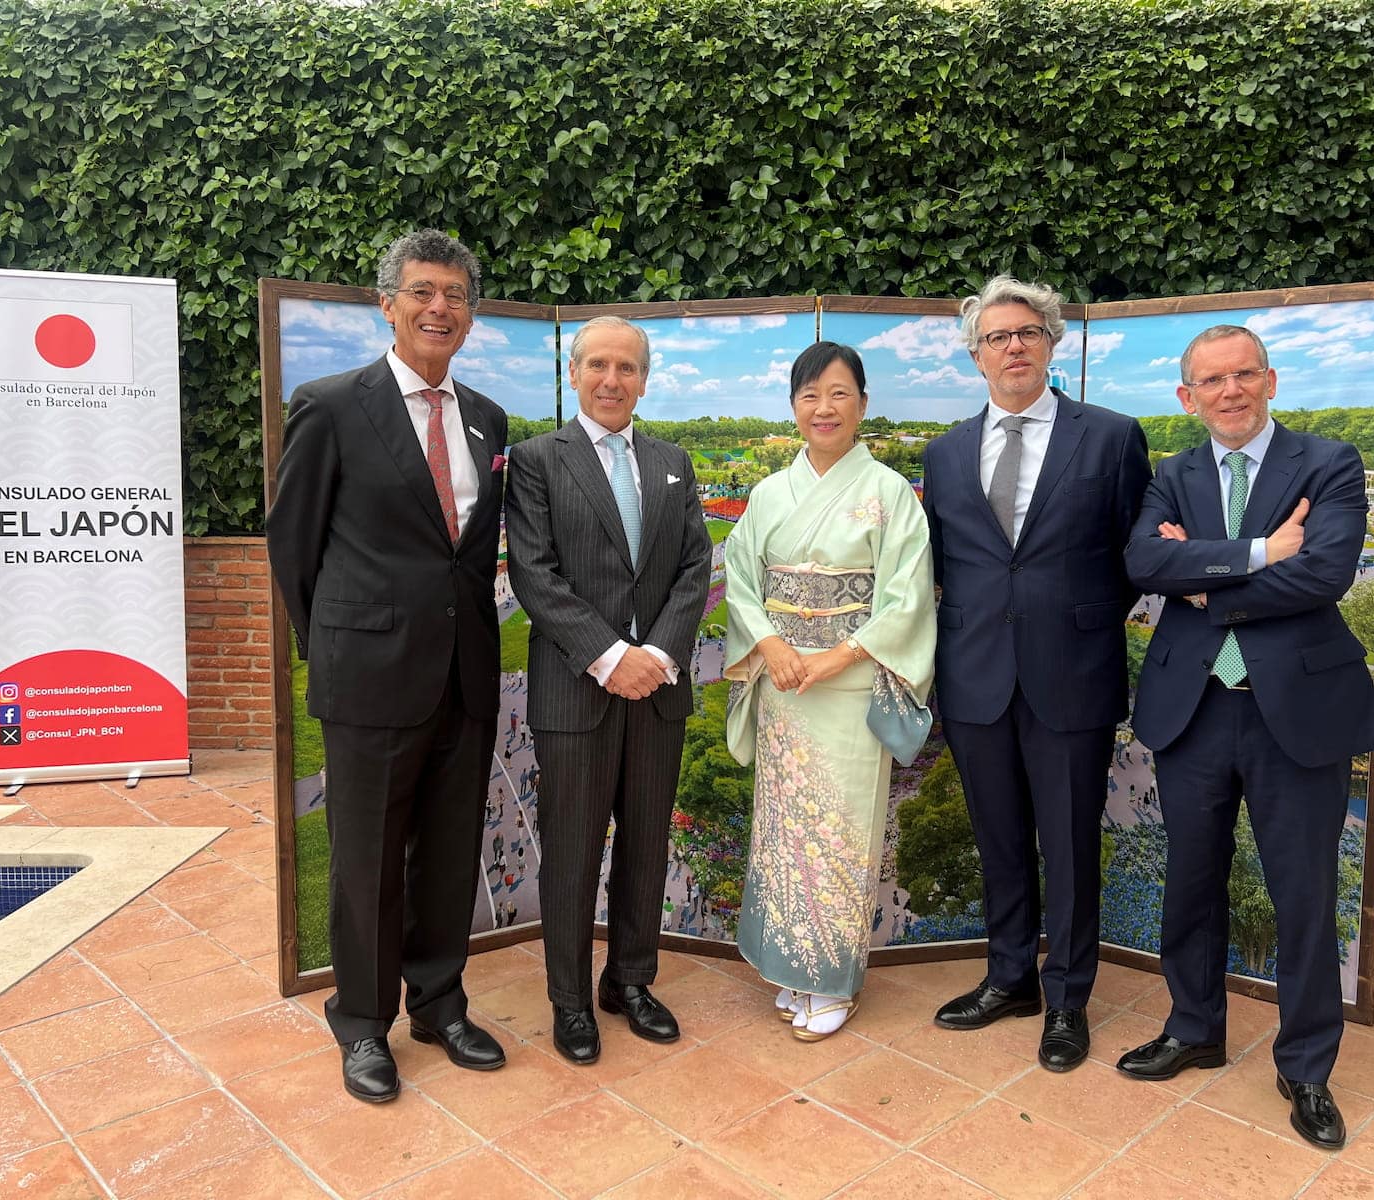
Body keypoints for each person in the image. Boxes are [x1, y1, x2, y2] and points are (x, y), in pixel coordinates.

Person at [1117, 324, 1374, 1149]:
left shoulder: (1329, 461)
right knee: (1190, 882)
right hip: (1192, 710)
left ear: (1269, 381)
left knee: (1303, 895)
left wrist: (1205, 584)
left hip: (1294, 714)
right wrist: (1261, 551)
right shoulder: (1173, 471)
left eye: (1243, 376)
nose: (1229, 391)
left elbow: (1326, 573)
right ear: (1186, 396)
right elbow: (1142, 564)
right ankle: (1194, 1027)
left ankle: (1305, 1066)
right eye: (1211, 381)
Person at [266, 230, 508, 1103]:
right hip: (368, 679)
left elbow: (469, 556)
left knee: (448, 853)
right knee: (364, 861)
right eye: (422, 292)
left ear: (471, 315)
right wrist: (334, 645)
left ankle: (439, 1004)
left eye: (454, 294)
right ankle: (362, 1024)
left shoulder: (486, 418)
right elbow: (291, 549)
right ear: (389, 305)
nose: (439, 307)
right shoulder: (331, 406)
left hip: (464, 675)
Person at [922, 276, 1151, 1071]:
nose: (1011, 346)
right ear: (976, 356)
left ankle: (1069, 1001)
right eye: (995, 337)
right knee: (1000, 842)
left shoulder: (1113, 437)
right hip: (976, 674)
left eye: (1026, 333)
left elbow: (1133, 557)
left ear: (1052, 343)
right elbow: (947, 565)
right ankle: (1009, 977)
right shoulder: (946, 451)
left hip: (1071, 676)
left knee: (1071, 845)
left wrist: (1073, 619)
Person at [504, 315, 710, 1065]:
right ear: (574, 372)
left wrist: (654, 652)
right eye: (598, 365)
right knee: (572, 852)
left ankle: (630, 981)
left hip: (656, 692)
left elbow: (695, 566)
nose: (611, 380)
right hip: (577, 693)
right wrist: (608, 655)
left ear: (645, 379)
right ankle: (569, 999)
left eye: (626, 367)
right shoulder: (535, 461)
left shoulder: (673, 462)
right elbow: (535, 574)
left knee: (647, 848)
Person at [723, 342, 936, 1041]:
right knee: (785, 834)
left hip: (848, 687)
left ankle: (833, 978)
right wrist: (774, 645)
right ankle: (790, 967)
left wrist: (842, 653)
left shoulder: (887, 493)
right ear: (793, 406)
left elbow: (905, 596)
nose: (824, 408)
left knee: (840, 835)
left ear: (863, 405)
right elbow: (744, 582)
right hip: (785, 682)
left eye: (839, 393)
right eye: (810, 394)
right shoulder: (768, 494)